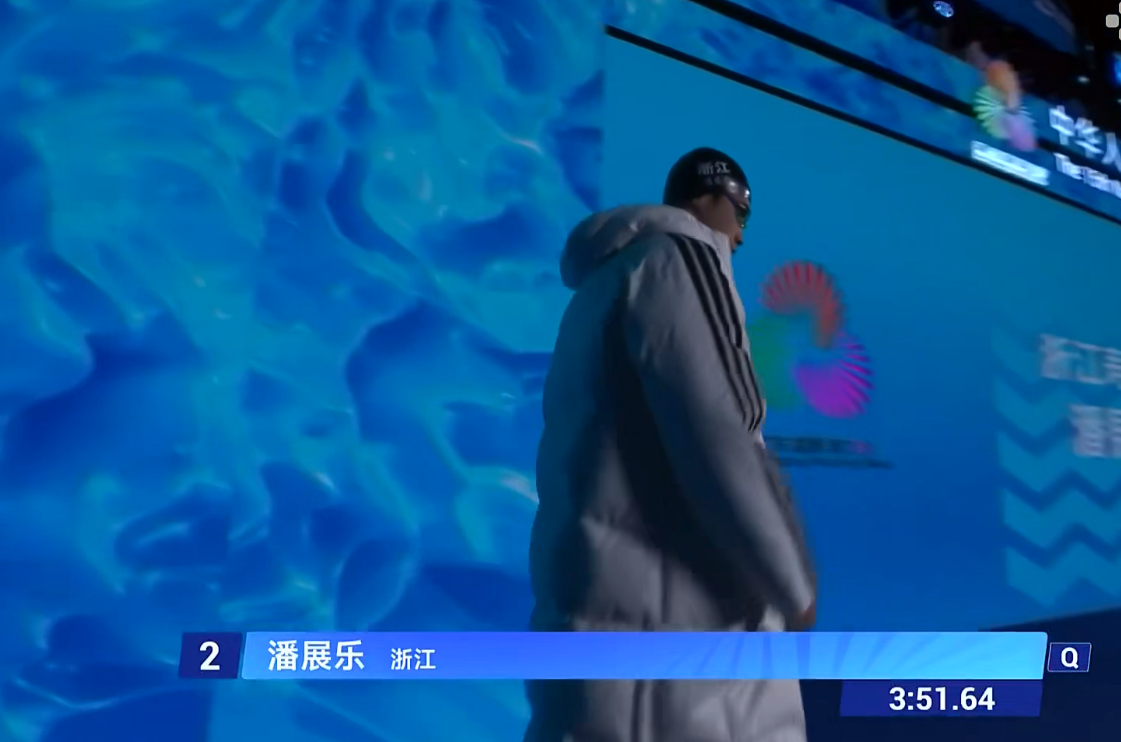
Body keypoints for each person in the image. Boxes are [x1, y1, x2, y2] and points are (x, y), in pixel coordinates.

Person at [525, 147, 817, 742]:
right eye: (740, 214)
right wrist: (794, 587)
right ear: (708, 198)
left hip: (601, 635)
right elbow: (725, 435)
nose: (740, 236)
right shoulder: (683, 259)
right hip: (682, 659)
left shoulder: (599, 289)